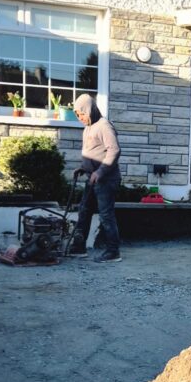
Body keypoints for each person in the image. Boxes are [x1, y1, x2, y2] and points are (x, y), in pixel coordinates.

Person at [69, 94, 122, 263]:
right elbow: (94, 152)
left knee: (106, 215)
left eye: (81, 114)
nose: (80, 118)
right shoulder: (88, 128)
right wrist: (83, 168)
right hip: (93, 179)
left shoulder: (104, 126)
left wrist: (100, 172)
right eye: (77, 115)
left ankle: (113, 252)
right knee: (84, 211)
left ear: (89, 110)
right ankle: (79, 247)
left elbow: (114, 150)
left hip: (106, 180)